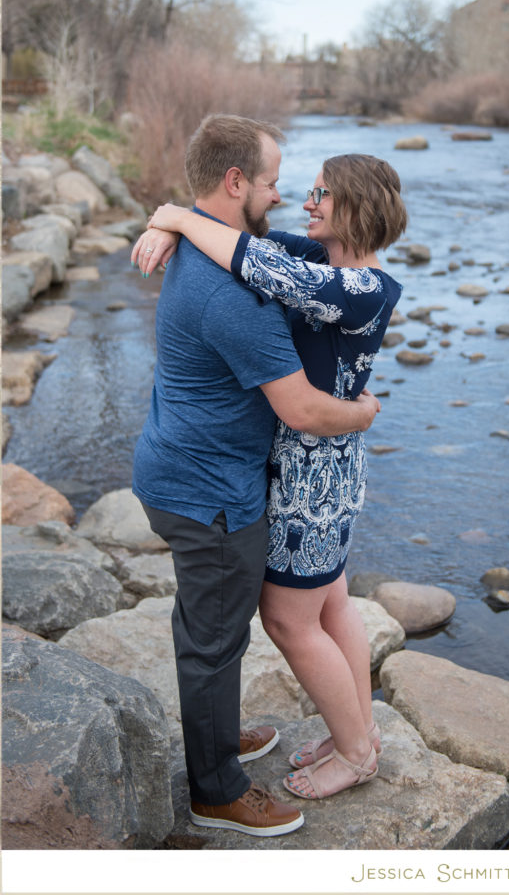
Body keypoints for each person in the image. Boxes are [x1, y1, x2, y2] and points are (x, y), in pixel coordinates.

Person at [130, 114, 383, 837]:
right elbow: (303, 409)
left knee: (213, 628)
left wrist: (173, 217)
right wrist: (365, 413)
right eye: (274, 182)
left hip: (189, 468)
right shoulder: (233, 297)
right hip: (208, 491)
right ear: (236, 181)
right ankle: (217, 791)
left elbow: (264, 252)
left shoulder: (227, 254)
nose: (285, 197)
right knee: (213, 638)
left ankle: (216, 733)